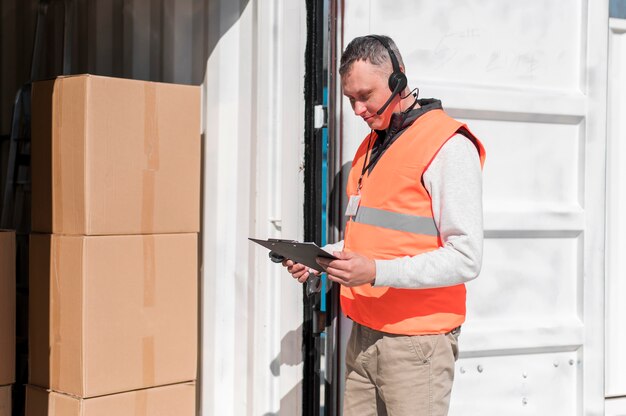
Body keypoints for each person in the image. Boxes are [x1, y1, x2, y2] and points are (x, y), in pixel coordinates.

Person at [282, 35, 485, 416]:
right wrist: (324, 260)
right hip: (363, 334)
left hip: (417, 343)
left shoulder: (448, 146)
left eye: (365, 95)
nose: (358, 109)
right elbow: (375, 236)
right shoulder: (372, 144)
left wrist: (375, 272)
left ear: (398, 80)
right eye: (350, 99)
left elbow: (467, 258)